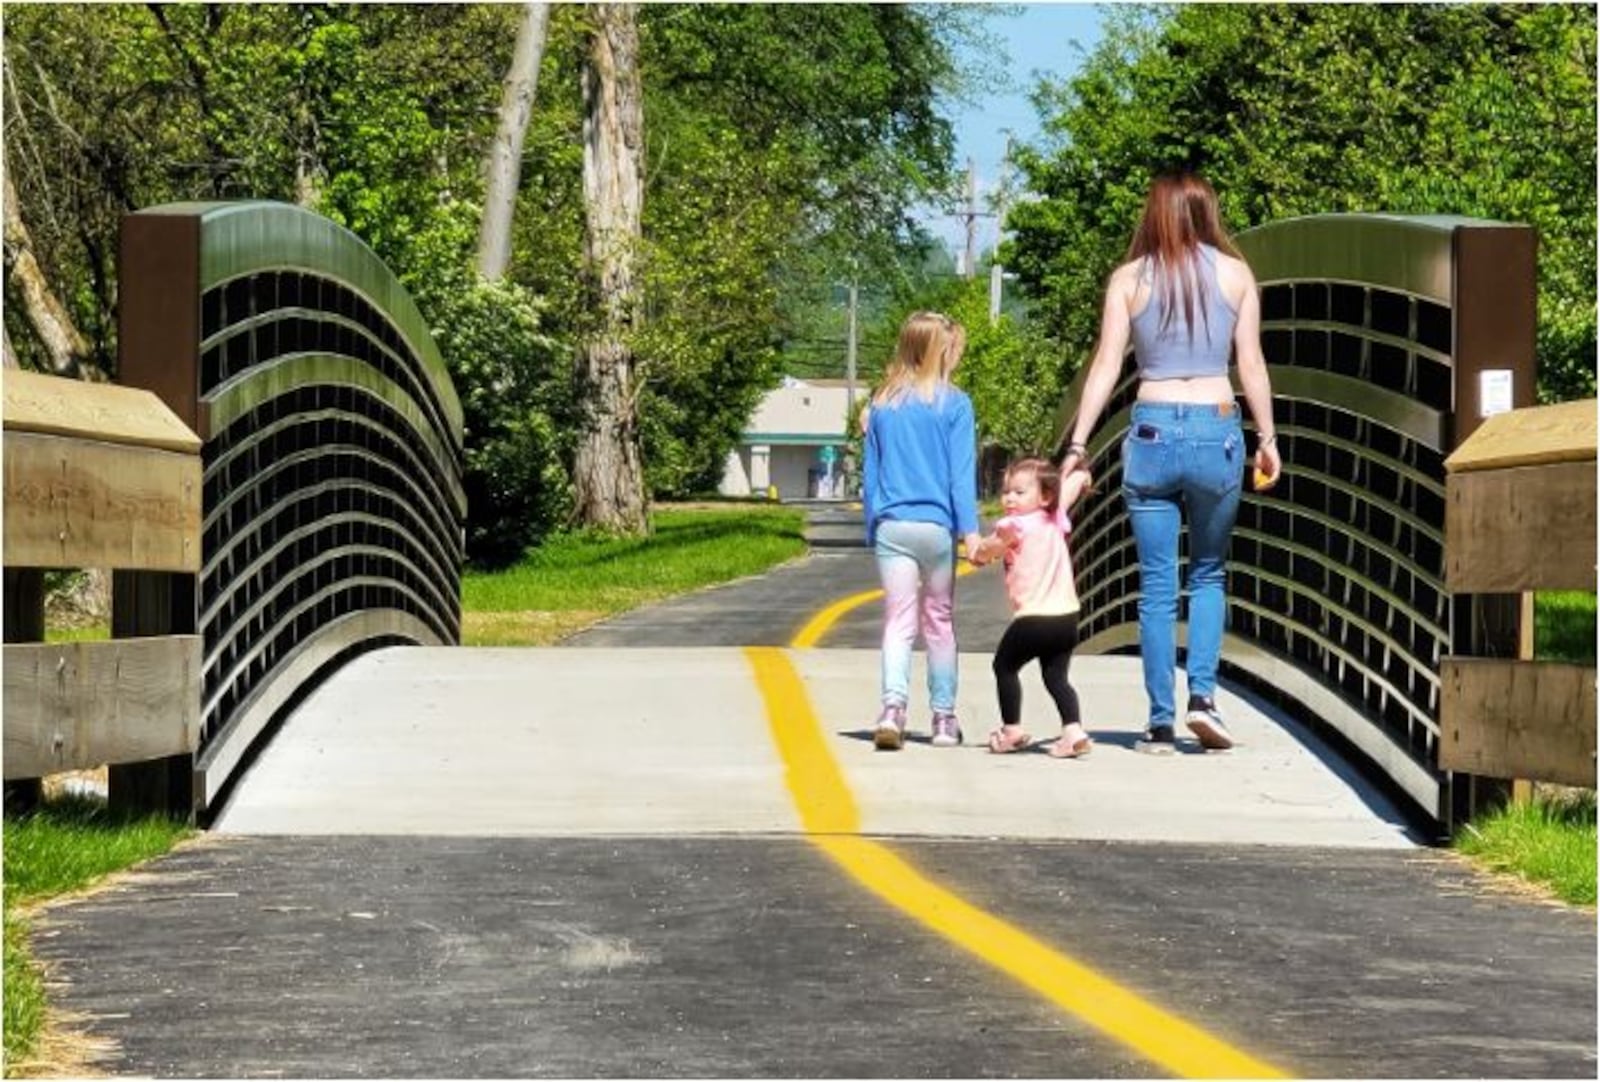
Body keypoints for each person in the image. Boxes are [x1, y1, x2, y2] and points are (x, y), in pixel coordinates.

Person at [1060, 171, 1281, 755]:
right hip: (1216, 430)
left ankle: (1159, 721)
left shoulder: (1129, 280)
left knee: (1157, 587)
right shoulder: (1236, 275)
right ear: (1206, 210)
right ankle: (1202, 699)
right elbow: (1251, 363)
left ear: (1154, 213)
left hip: (1153, 430)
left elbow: (1107, 364)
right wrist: (1268, 437)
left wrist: (1079, 445)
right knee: (1207, 573)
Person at [861, 311, 982, 750]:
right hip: (936, 528)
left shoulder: (882, 404)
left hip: (893, 526)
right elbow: (959, 476)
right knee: (939, 623)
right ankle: (944, 718)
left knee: (898, 622)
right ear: (941, 352)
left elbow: (871, 473)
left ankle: (892, 708)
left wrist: (871, 524)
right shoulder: (955, 404)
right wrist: (970, 533)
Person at [970, 457, 1093, 758]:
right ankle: (1073, 730)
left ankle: (1011, 730)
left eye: (1019, 492)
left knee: (1004, 666)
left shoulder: (1013, 525)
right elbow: (1072, 486)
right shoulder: (1055, 517)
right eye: (1007, 492)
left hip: (1034, 618)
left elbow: (990, 548)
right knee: (1056, 677)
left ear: (1045, 496)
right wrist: (1081, 475)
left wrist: (977, 551)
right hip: (1066, 616)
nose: (1010, 498)